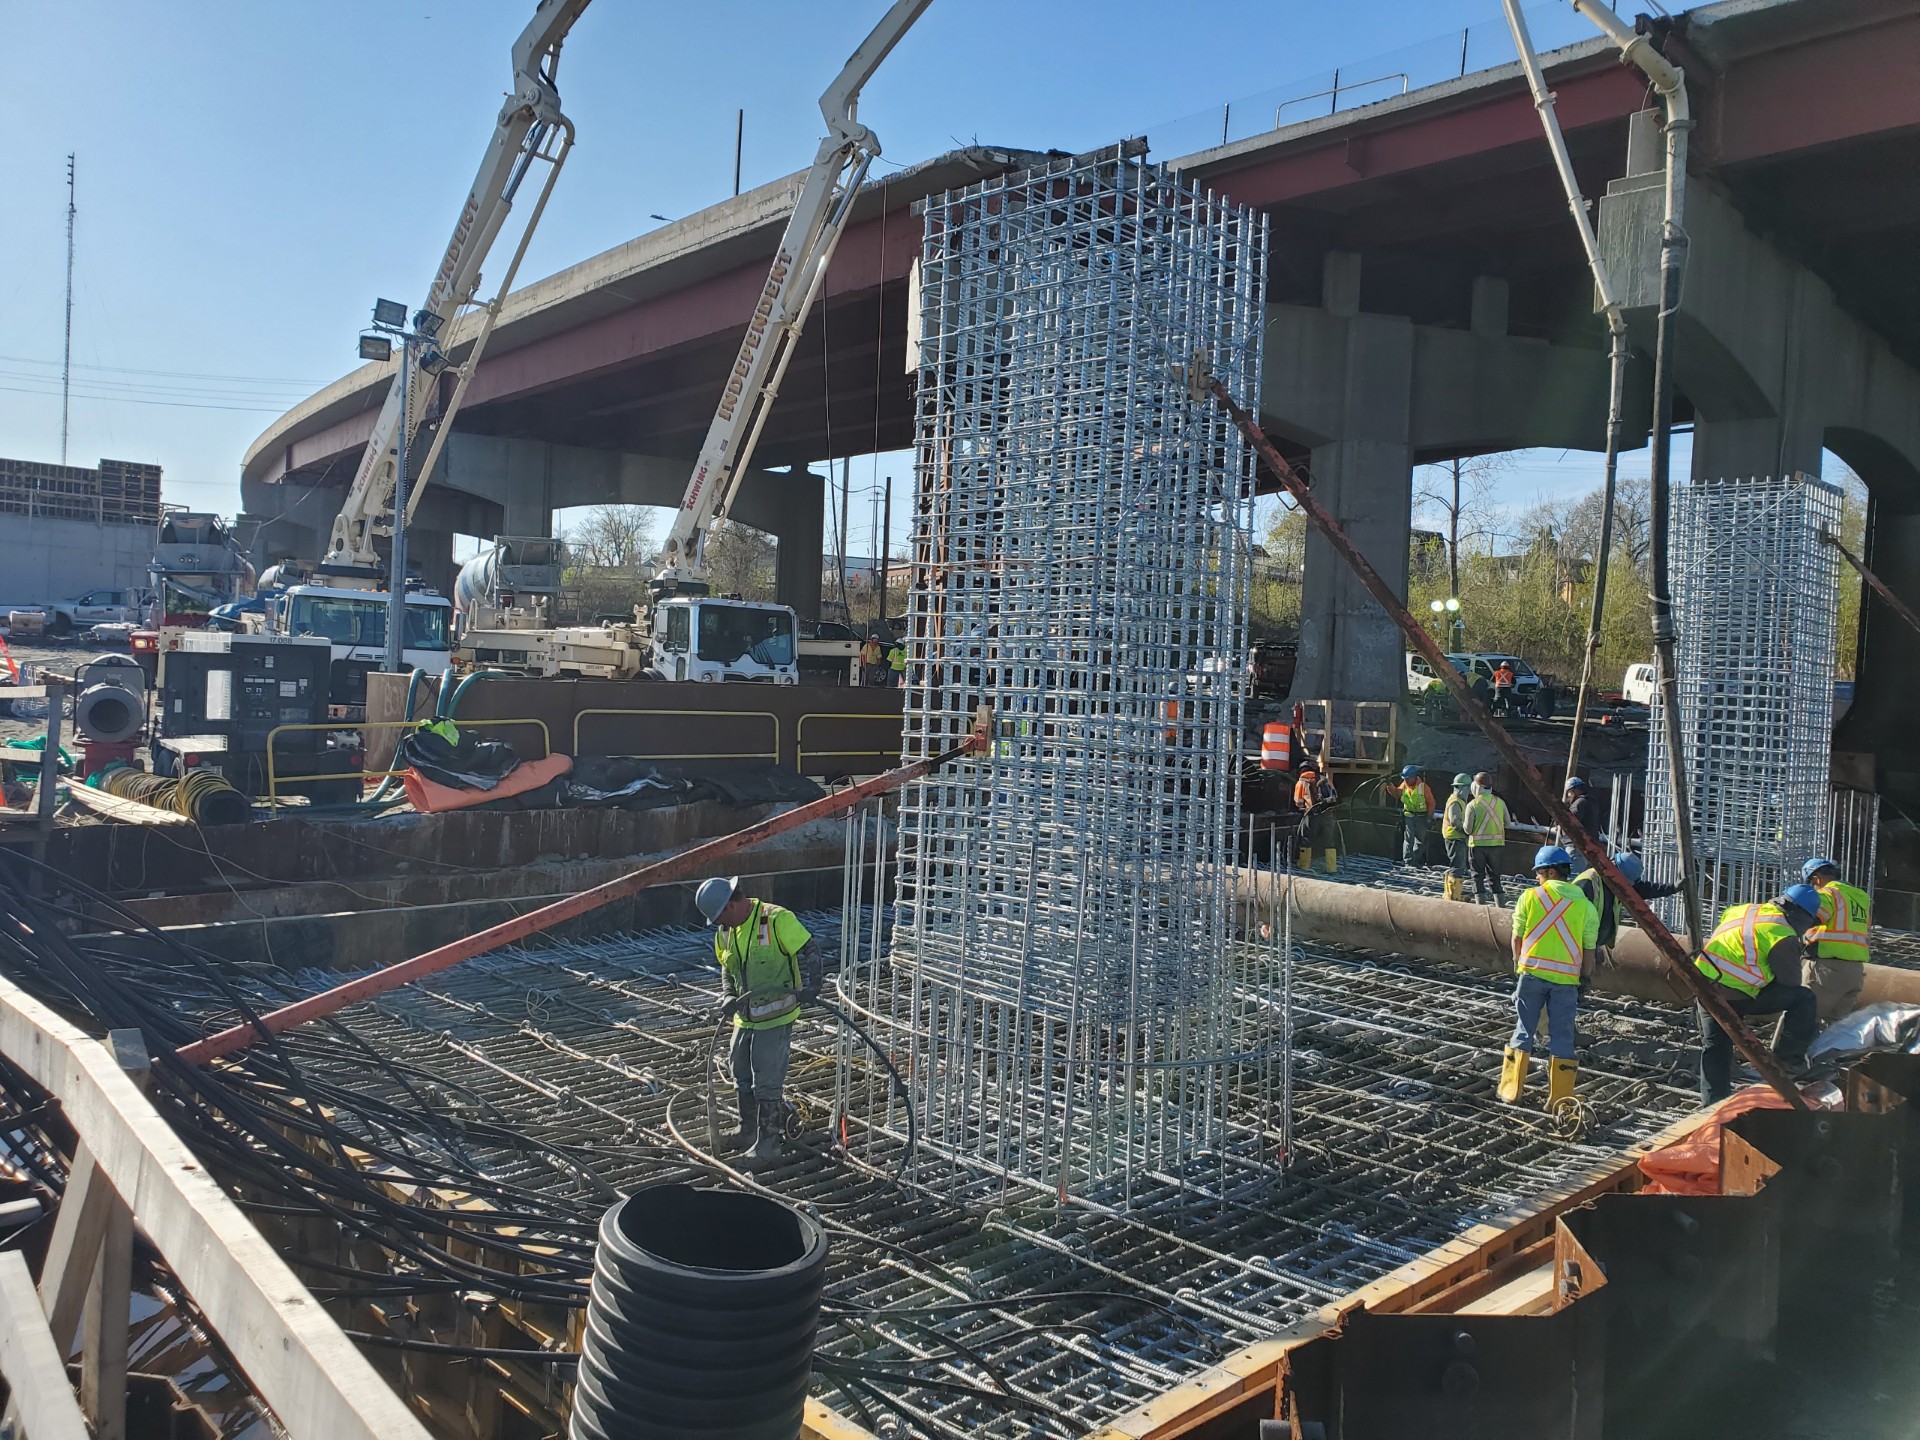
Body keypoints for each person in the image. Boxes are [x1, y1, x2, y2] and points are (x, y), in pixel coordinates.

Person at [696, 875, 817, 1165]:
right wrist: (727, 995)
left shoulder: (776, 920)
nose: (720, 925)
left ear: (732, 905)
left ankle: (769, 1144)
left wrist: (812, 987)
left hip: (776, 1017)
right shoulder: (725, 931)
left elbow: (809, 951)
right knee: (740, 1071)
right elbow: (727, 967)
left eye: (720, 917)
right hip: (744, 1018)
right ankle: (748, 1130)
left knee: (767, 1081)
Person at [1694, 885, 1821, 1104]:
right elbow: (1790, 982)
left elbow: (1739, 942)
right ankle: (1788, 1060)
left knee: (1715, 1046)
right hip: (1738, 995)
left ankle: (1713, 1104)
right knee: (1804, 998)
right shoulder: (1782, 934)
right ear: (1802, 915)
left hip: (1703, 985)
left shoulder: (1743, 909)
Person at [1498, 845, 1599, 1107]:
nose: (1537, 879)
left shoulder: (1530, 898)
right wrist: (1585, 977)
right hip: (1566, 983)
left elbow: (1516, 938)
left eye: (1539, 874)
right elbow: (1589, 949)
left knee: (1523, 1031)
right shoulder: (1586, 907)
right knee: (1563, 1037)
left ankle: (1511, 1091)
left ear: (1551, 872)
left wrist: (1519, 965)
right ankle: (1561, 1097)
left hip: (1531, 976)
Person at [1573, 852, 1683, 965]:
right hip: (1577, 944)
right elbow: (1573, 919)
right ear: (1614, 869)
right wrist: (1588, 948)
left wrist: (1672, 888)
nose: (1625, 885)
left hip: (1592, 944)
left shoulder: (1615, 882)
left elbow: (1644, 889)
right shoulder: (1588, 883)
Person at [1801, 856, 1872, 1024]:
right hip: (1855, 970)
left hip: (1827, 967)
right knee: (1836, 1028)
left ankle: (1775, 1052)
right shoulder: (1861, 897)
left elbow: (1814, 918)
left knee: (1800, 1015)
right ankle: (1828, 1051)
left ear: (1816, 879)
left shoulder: (1828, 893)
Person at [1463, 772, 1510, 905]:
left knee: (1477, 876)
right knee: (1495, 876)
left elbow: (1467, 829)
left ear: (1477, 787)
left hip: (1477, 846)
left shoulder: (1473, 805)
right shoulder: (1500, 802)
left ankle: (1480, 907)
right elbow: (1508, 823)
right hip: (1497, 845)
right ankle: (1500, 907)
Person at [1292, 763, 1338, 874]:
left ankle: (1304, 866)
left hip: (1312, 815)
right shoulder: (1325, 780)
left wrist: (1303, 806)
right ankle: (1332, 868)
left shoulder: (1301, 782)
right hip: (1328, 814)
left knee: (1306, 839)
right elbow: (1335, 795)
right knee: (1329, 841)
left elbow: (1298, 802)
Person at [1390, 764, 1436, 867]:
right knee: (1408, 839)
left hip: (1421, 817)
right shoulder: (1404, 785)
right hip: (1409, 815)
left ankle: (1414, 860)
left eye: (1408, 778)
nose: (1406, 780)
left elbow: (1431, 802)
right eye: (1405, 778)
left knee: (1420, 840)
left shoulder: (1423, 787)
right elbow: (1397, 794)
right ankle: (1408, 861)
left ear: (1414, 777)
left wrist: (1429, 817)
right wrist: (1390, 786)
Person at [1441, 773, 1474, 902]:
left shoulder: (1459, 800)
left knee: (1457, 866)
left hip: (1456, 837)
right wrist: (1468, 830)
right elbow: (1455, 822)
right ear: (1462, 788)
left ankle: (1452, 893)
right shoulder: (1455, 802)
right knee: (1457, 866)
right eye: (1468, 788)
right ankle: (1453, 895)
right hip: (1455, 837)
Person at [1559, 776, 1602, 863]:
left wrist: (1559, 822)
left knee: (1572, 875)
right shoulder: (1591, 802)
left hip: (1576, 847)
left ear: (1574, 791)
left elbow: (1569, 823)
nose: (1569, 795)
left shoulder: (1579, 803)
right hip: (1588, 847)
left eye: (1569, 792)